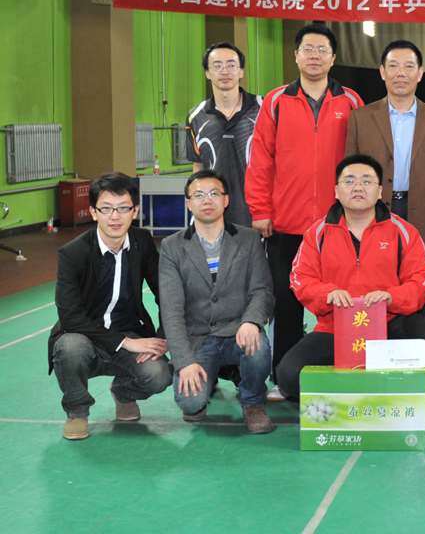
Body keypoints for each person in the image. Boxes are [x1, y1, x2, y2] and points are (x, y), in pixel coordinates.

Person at [247, 24, 365, 400]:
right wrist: (261, 209)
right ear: (296, 55)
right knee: (286, 301)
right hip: (286, 222)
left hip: (337, 224)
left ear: (333, 58)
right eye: (307, 49)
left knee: (342, 299)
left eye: (322, 49)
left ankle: (348, 368)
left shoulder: (351, 101)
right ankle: (284, 378)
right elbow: (260, 159)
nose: (314, 55)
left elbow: (362, 163)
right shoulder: (276, 101)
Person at [278, 155, 425, 403]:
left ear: (379, 191)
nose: (357, 187)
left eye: (367, 181)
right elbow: (300, 278)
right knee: (289, 374)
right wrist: (327, 294)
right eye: (349, 181)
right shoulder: (318, 233)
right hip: (335, 327)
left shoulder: (403, 231)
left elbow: (423, 277)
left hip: (390, 323)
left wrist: (392, 297)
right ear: (336, 191)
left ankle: (416, 389)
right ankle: (358, 393)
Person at [49, 173, 172, 440]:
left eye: (123, 208)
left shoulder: (142, 242)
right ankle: (77, 411)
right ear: (94, 212)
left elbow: (166, 293)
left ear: (135, 211)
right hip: (84, 336)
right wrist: (125, 343)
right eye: (106, 208)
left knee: (160, 374)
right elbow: (70, 317)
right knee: (69, 347)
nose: (115, 216)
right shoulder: (73, 253)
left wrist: (161, 338)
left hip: (129, 330)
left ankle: (123, 393)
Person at [345, 40, 425, 318]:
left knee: (419, 296)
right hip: (373, 216)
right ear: (382, 72)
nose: (401, 73)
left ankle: (417, 344)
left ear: (420, 73)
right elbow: (349, 177)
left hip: (423, 218)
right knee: (372, 294)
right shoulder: (360, 118)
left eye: (409, 66)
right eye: (393, 66)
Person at [158, 169, 275, 434]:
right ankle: (207, 379)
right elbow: (172, 311)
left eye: (214, 193)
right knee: (190, 403)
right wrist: (184, 361)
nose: (207, 200)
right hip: (199, 337)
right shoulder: (172, 246)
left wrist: (251, 321)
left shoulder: (248, 239)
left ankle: (253, 402)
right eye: (198, 195)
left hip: (238, 331)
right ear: (188, 203)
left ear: (226, 200)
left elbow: (262, 291)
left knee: (258, 347)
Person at [186, 42, 262, 227]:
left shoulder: (264, 109)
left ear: (241, 71)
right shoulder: (195, 116)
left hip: (255, 212)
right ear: (207, 73)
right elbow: (198, 166)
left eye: (231, 65)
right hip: (213, 212)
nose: (225, 71)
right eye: (217, 66)